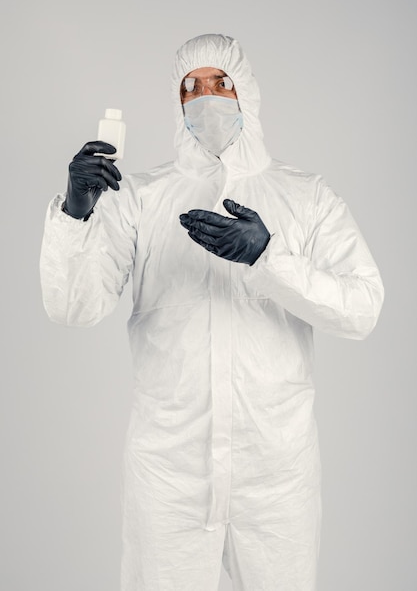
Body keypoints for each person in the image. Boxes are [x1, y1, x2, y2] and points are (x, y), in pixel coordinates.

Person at [40, 33, 384, 591]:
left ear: (245, 89)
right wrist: (78, 211)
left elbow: (362, 308)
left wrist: (267, 257)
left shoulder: (306, 197)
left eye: (220, 83)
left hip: (276, 476)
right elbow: (74, 306)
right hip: (170, 474)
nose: (206, 98)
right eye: (191, 86)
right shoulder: (142, 196)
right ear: (177, 102)